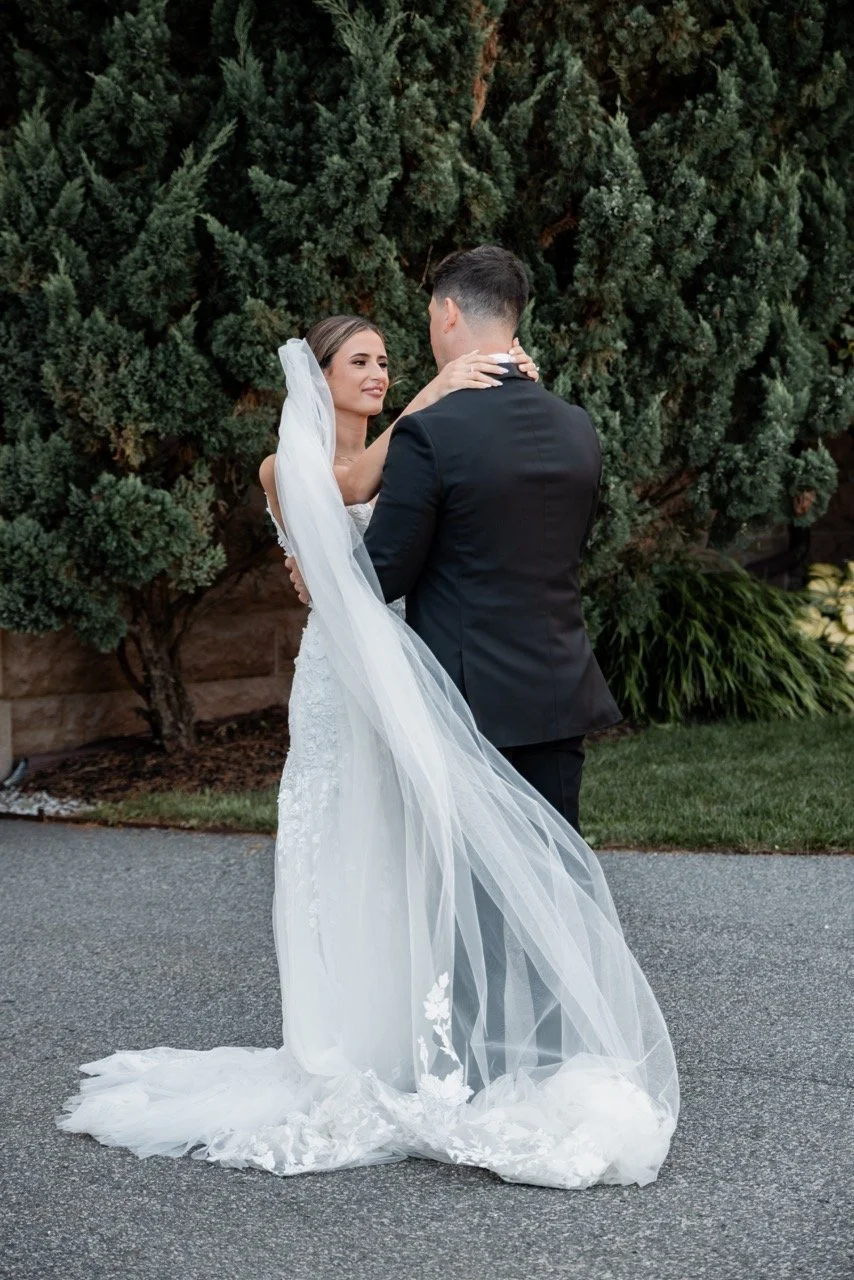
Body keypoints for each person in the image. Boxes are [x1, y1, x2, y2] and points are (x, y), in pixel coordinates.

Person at [59, 261, 678, 1190]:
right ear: (319, 378)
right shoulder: (552, 427)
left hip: (429, 671)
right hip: (430, 675)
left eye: (388, 359)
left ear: (442, 317)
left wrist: (356, 550)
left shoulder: (426, 437)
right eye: (359, 362)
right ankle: (445, 1048)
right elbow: (366, 518)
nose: (381, 372)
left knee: (457, 870)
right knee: (451, 862)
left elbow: (385, 552)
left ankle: (468, 1059)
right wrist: (432, 404)